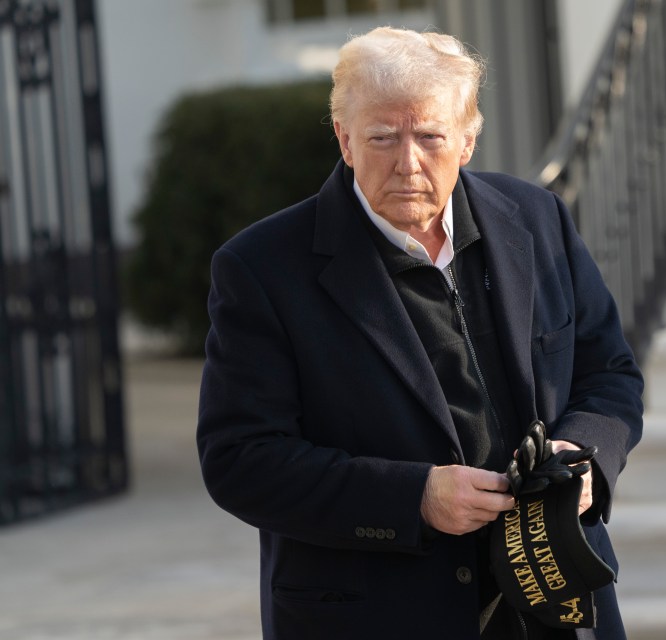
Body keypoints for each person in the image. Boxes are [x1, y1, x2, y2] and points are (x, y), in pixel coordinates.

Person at [197, 26, 643, 640]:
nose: (407, 163)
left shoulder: (538, 220)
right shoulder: (260, 268)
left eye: (430, 136)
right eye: (382, 137)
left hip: (554, 603)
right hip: (375, 615)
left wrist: (586, 454)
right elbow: (240, 461)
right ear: (344, 139)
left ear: (467, 139)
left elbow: (609, 373)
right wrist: (416, 498)